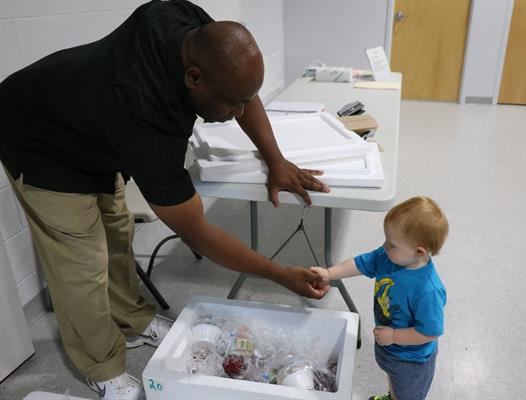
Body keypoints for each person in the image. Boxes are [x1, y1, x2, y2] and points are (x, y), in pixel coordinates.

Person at [0, 1, 330, 399]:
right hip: (36, 136)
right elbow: (199, 234)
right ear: (194, 78)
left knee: (117, 233)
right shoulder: (149, 118)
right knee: (81, 263)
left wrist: (275, 159)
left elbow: (239, 87)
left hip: (91, 127)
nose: (238, 112)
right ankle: (101, 364)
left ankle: (131, 318)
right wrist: (280, 275)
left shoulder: (177, 18)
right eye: (231, 104)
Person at [311, 196, 448, 400]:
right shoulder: (389, 257)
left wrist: (394, 336)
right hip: (389, 345)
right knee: (394, 382)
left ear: (419, 251)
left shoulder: (427, 290)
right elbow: (360, 263)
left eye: (391, 244)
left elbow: (429, 332)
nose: (384, 246)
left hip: (412, 359)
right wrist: (330, 274)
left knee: (407, 393)